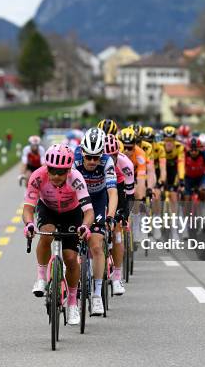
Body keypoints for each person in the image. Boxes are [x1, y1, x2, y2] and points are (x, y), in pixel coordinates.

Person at [22, 144, 94, 326]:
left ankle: (71, 303)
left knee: (71, 258)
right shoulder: (38, 176)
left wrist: (85, 226)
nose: (55, 176)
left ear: (68, 170)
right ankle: (41, 278)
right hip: (48, 210)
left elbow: (89, 211)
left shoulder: (76, 179)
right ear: (47, 167)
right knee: (46, 234)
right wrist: (29, 224)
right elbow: (28, 208)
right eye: (52, 170)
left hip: (72, 213)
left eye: (61, 172)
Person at [74, 128, 120, 307]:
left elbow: (113, 192)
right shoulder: (74, 159)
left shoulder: (107, 161)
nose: (93, 161)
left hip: (98, 200)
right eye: (89, 157)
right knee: (71, 243)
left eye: (96, 157)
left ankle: (97, 295)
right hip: (77, 200)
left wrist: (110, 216)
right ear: (82, 152)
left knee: (96, 245)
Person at [105, 134, 135, 292]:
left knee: (117, 230)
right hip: (97, 190)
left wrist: (124, 215)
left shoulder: (126, 164)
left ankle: (117, 278)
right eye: (107, 156)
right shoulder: (95, 162)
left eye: (114, 156)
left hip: (118, 188)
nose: (111, 159)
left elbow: (130, 196)